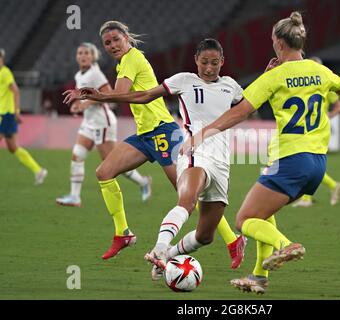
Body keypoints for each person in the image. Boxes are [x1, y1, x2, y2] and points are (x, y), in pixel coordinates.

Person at [180, 12, 340, 293]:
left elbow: (240, 112)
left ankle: (286, 245)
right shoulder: (319, 70)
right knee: (263, 214)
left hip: (290, 159)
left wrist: (202, 133)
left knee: (245, 220)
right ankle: (259, 278)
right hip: (317, 164)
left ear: (279, 44)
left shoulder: (273, 77)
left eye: (273, 39)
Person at [70, 39, 247, 276]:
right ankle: (157, 249)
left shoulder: (231, 86)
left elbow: (247, 107)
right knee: (185, 200)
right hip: (193, 152)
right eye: (204, 62)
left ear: (222, 62)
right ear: (196, 60)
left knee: (205, 235)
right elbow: (144, 95)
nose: (208, 68)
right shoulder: (183, 80)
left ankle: (185, 251)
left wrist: (268, 77)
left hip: (220, 161)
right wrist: (102, 97)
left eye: (214, 63)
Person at [63, 21, 183, 260]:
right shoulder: (123, 63)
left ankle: (233, 240)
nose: (112, 45)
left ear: (126, 38)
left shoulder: (131, 59)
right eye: (107, 43)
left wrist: (92, 95)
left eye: (116, 39)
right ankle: (123, 234)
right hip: (145, 134)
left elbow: (118, 95)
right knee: (104, 172)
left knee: (186, 193)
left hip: (163, 131)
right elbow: (118, 95)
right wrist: (93, 95)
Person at [56, 43, 151, 207]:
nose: (83, 56)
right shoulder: (79, 74)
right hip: (89, 122)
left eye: (87, 53)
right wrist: (78, 104)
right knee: (77, 155)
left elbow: (108, 93)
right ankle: (74, 197)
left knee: (111, 163)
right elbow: (85, 97)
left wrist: (84, 104)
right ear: (76, 57)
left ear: (93, 57)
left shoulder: (96, 74)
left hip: (103, 122)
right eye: (80, 53)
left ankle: (143, 182)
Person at [292, 57, 340, 208]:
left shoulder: (326, 86)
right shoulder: (306, 86)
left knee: (308, 162)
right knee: (308, 162)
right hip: (307, 128)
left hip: (319, 130)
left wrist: (328, 116)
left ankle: (308, 199)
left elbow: (339, 107)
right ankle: (333, 186)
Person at [0, 48, 48, 185]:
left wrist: (16, 112)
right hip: (4, 113)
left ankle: (39, 171)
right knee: (13, 148)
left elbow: (16, 91)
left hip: (7, 114)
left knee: (13, 147)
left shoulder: (5, 73)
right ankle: (38, 170)